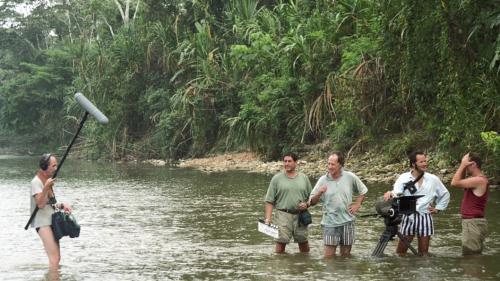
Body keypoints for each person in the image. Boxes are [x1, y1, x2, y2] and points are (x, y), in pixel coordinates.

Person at [383, 150, 450, 256]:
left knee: (424, 252)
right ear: (414, 164)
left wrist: (438, 208)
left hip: (425, 215)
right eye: (421, 162)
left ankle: (421, 270)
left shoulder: (433, 179)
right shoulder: (404, 177)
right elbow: (397, 192)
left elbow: (445, 194)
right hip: (408, 215)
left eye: (425, 161)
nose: (425, 164)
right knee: (401, 252)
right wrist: (390, 193)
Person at [308, 151, 368, 257]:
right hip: (330, 223)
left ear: (340, 164)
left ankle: (343, 274)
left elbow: (363, 191)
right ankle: (331, 274)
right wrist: (319, 193)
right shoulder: (323, 180)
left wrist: (357, 204)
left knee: (346, 256)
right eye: (328, 164)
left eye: (333, 164)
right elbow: (312, 202)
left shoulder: (350, 177)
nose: (329, 167)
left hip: (348, 222)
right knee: (329, 257)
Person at [264, 152, 312, 253]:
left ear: (296, 163)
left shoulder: (304, 178)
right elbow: (269, 200)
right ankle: (280, 267)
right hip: (282, 215)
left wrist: (307, 204)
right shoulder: (276, 179)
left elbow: (311, 198)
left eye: (289, 161)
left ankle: (304, 265)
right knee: (280, 243)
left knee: (303, 243)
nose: (286, 163)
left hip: (300, 215)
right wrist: (268, 219)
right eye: (285, 161)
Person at [30, 153, 72, 268]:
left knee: (57, 258)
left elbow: (51, 204)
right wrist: (46, 188)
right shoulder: (36, 182)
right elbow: (41, 204)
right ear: (45, 167)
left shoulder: (47, 180)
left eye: (56, 165)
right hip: (42, 223)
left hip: (51, 221)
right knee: (54, 259)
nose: (56, 168)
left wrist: (63, 205)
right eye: (53, 166)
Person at [451, 152, 489, 255]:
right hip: (474, 223)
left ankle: (472, 271)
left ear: (473, 164)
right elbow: (461, 181)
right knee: (473, 256)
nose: (464, 166)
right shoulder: (476, 180)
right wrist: (464, 166)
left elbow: (454, 183)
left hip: (472, 223)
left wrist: (463, 165)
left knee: (471, 257)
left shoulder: (479, 180)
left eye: (466, 164)